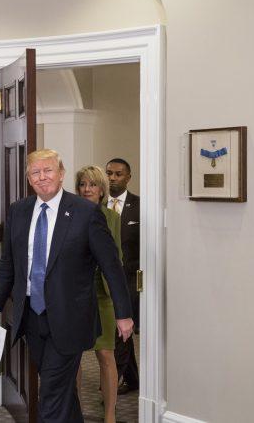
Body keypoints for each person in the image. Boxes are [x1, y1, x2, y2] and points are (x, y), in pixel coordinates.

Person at [0, 149, 133, 423]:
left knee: (50, 392)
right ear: (29, 179)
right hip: (32, 317)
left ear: (61, 174)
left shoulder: (86, 212)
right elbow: (9, 266)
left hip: (71, 318)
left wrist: (123, 313)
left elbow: (111, 266)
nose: (42, 177)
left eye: (48, 170)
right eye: (35, 172)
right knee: (60, 390)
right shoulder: (19, 211)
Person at [75, 165, 123, 423]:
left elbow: (117, 259)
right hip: (74, 294)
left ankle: (110, 415)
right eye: (82, 184)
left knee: (105, 354)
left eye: (92, 184)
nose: (86, 189)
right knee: (74, 355)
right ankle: (76, 411)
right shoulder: (68, 214)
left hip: (102, 295)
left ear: (102, 189)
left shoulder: (111, 217)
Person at [106, 157, 140, 395]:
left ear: (128, 177)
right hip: (102, 281)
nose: (113, 178)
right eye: (109, 173)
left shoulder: (140, 206)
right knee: (119, 334)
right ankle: (133, 379)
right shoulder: (96, 206)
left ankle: (111, 382)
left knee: (121, 333)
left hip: (129, 280)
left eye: (118, 174)